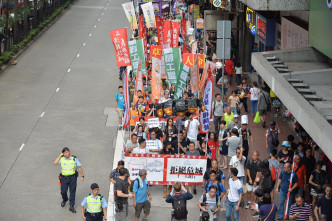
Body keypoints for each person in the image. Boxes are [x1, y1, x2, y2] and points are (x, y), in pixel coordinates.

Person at [53, 147, 84, 213]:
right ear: (63, 153)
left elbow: (79, 167)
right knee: (63, 191)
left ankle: (71, 206)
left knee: (72, 192)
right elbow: (55, 162)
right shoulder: (61, 159)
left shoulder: (74, 158)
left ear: (69, 151)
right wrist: (60, 155)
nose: (66, 154)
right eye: (64, 153)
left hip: (72, 178)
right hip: (64, 178)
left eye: (67, 152)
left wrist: (82, 176)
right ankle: (65, 199)